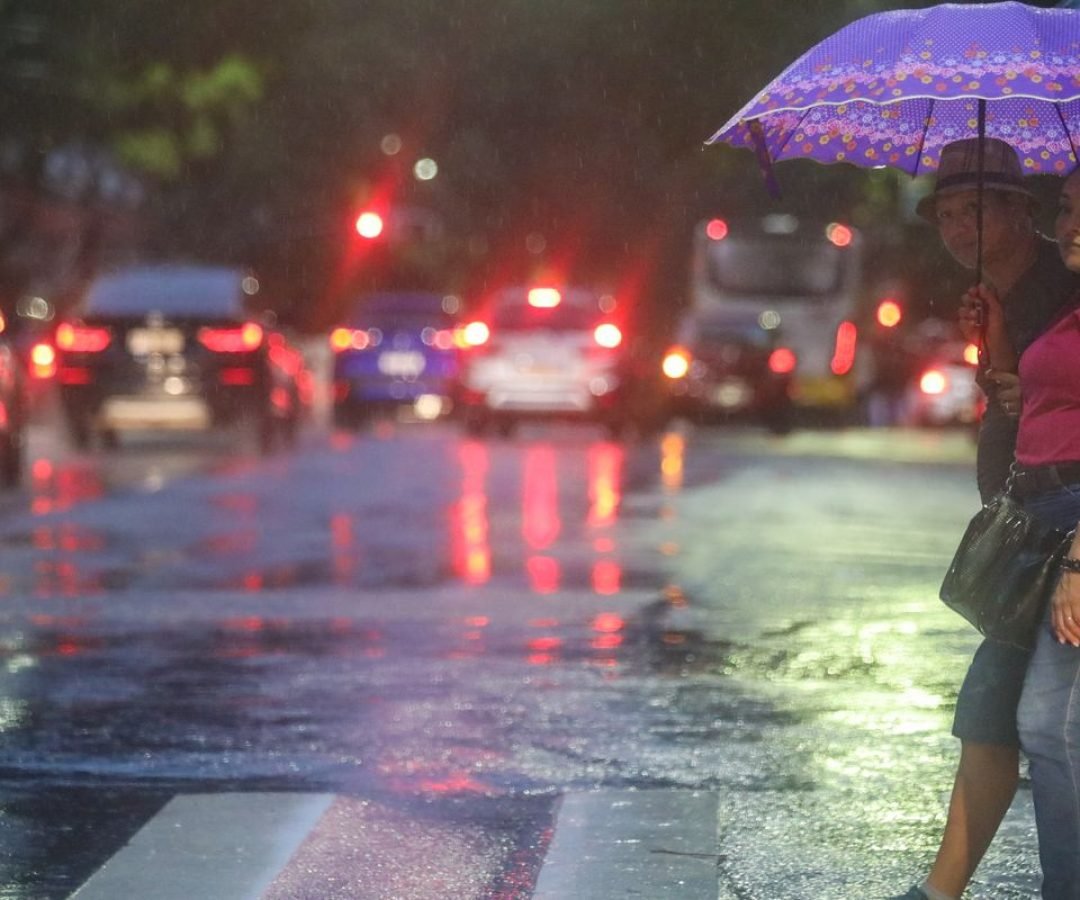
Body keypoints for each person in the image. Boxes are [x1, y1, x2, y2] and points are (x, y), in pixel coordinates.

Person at [892, 138, 1080, 900]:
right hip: (1029, 515)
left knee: (1033, 721)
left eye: (976, 209)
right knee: (1006, 717)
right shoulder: (1027, 289)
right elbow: (1032, 395)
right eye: (947, 212)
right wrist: (997, 348)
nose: (959, 226)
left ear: (1018, 210)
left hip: (1060, 523)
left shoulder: (1058, 282)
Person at [966, 166, 1080, 899]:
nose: (1071, 227)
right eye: (1069, 210)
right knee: (1044, 725)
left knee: (1056, 725)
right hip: (1045, 521)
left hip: (1074, 528)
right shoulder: (1071, 308)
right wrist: (1001, 345)